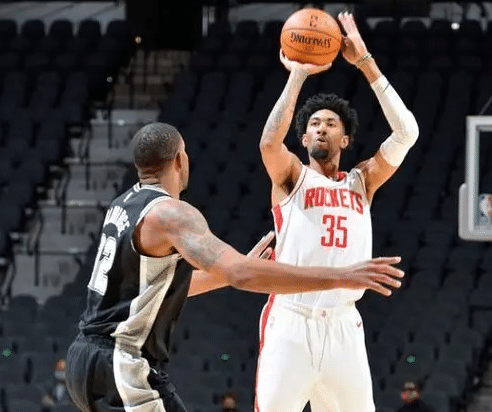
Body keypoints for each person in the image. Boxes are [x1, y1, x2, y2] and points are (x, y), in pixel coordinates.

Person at [65, 121, 404, 412]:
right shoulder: (171, 214)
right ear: (180, 160)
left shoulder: (123, 205)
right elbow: (241, 273)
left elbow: (159, 289)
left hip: (84, 359)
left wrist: (223, 276)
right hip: (121, 362)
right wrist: (342, 275)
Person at [255, 11, 419, 412]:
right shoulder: (291, 177)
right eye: (314, 124)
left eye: (330, 123)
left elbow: (407, 133)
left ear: (344, 139)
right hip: (291, 320)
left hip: (344, 324)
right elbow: (268, 144)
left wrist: (365, 63)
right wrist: (297, 74)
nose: (321, 128)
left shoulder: (362, 181)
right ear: (304, 137)